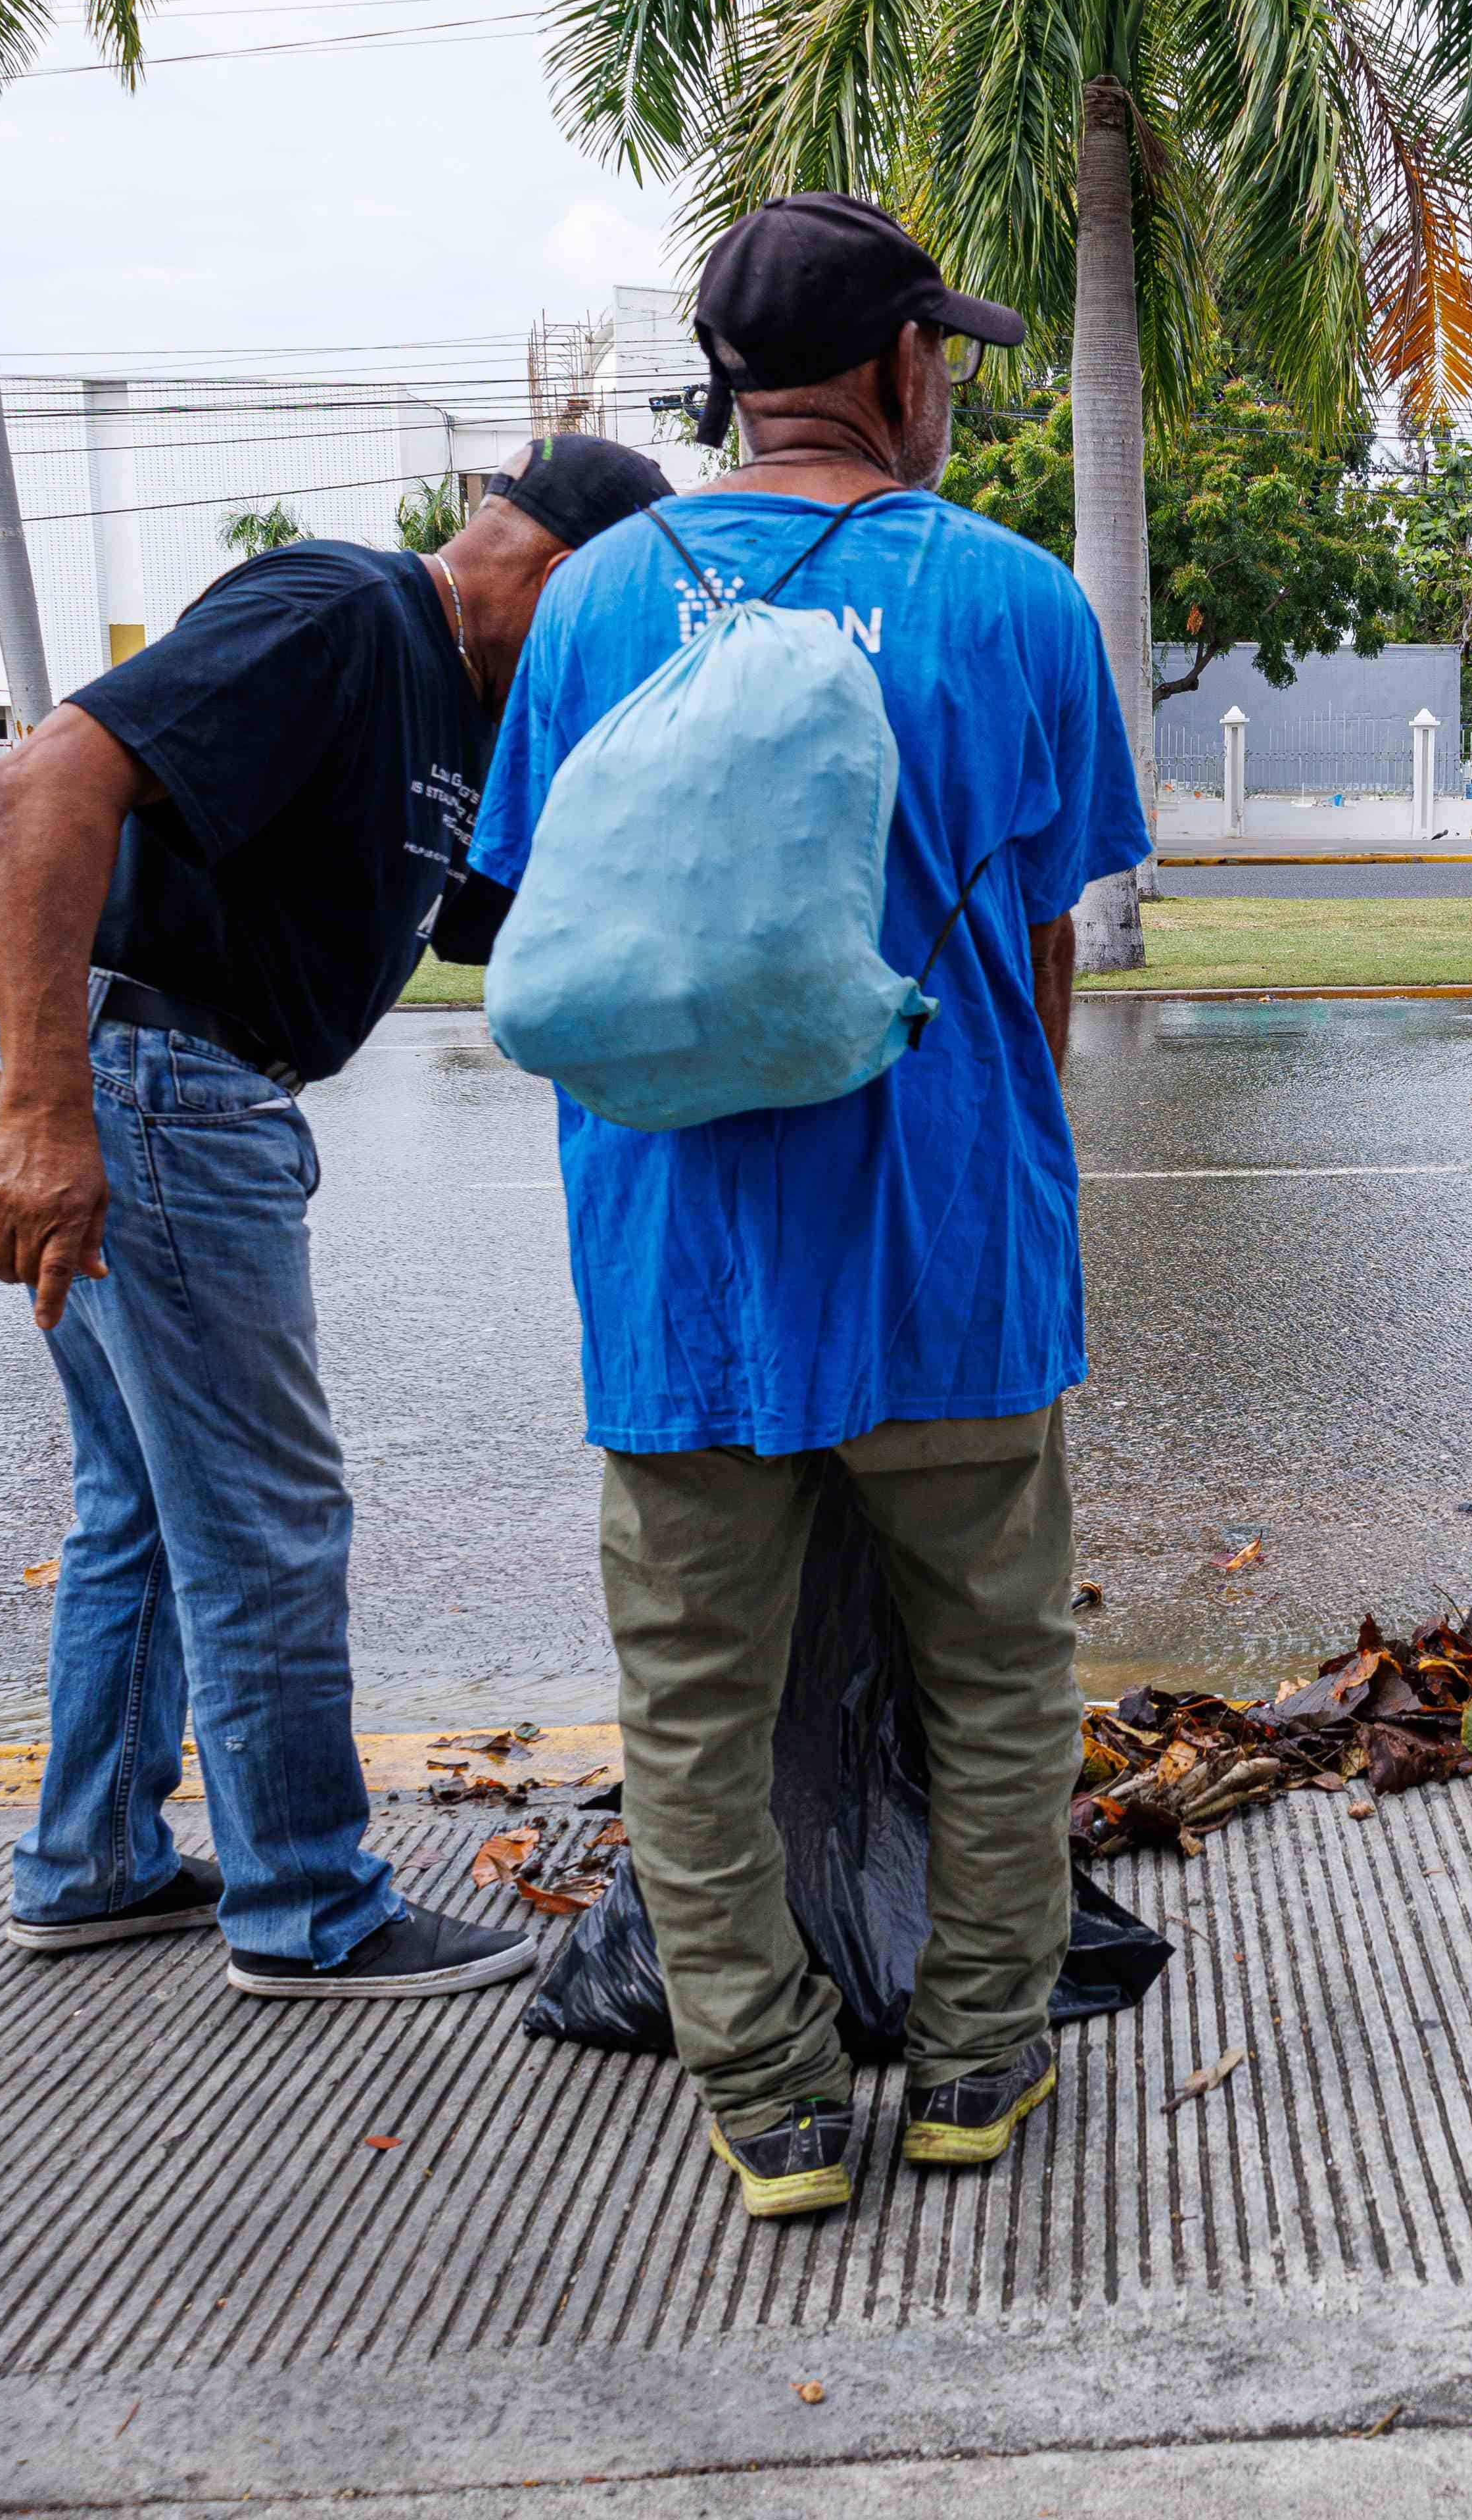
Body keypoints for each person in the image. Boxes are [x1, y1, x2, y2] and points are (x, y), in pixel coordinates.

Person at [467, 193, 1147, 2221]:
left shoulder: (594, 601)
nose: (947, 381)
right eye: (942, 351)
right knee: (998, 1682)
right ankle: (972, 2060)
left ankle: (760, 2097)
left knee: (693, 1701)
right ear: (896, 371)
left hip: (679, 1266)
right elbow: (1046, 950)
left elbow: (540, 914)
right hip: (946, 1246)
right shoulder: (1018, 602)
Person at [0, 433, 671, 1998]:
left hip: (180, 1085)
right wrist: (42, 1103)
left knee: (144, 1502)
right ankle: (309, 1906)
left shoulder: (463, 704)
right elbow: (49, 775)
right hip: (152, 1082)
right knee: (270, 1519)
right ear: (555, 574)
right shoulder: (344, 614)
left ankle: (93, 1864)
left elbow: (509, 916)